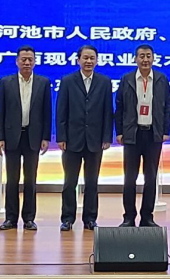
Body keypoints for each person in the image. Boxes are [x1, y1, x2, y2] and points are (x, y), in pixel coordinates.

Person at [56, 44, 113, 231]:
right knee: (69, 182)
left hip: (95, 140)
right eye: (85, 58)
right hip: (72, 139)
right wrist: (61, 136)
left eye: (92, 58)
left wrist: (106, 137)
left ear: (96, 61)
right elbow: (61, 111)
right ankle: (67, 218)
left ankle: (90, 218)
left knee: (92, 182)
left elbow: (107, 111)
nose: (89, 61)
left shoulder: (104, 82)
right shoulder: (67, 81)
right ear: (78, 60)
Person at [0, 45, 52, 231]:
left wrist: (45, 137)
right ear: (17, 61)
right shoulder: (6, 82)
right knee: (12, 180)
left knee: (30, 180)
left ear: (35, 62)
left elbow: (47, 112)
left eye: (30, 59)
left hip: (33, 137)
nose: (27, 62)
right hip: (12, 136)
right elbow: (1, 112)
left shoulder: (43, 83)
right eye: (23, 59)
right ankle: (10, 218)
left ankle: (29, 218)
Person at [115, 44, 170, 228]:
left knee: (151, 177)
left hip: (153, 134)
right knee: (129, 178)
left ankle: (147, 217)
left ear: (153, 58)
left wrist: (165, 131)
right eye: (142, 56)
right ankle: (128, 217)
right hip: (133, 134)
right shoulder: (127, 79)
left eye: (148, 56)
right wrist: (120, 132)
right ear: (135, 59)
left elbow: (167, 107)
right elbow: (120, 107)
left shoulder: (161, 79)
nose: (145, 59)